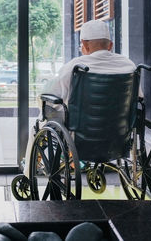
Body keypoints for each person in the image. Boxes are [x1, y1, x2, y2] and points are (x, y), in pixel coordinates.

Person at [23, 19, 137, 177]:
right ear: (110, 45)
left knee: (39, 123)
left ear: (85, 44)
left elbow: (51, 95)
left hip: (81, 138)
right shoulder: (129, 66)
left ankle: (29, 172)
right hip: (117, 137)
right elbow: (138, 99)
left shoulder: (77, 66)